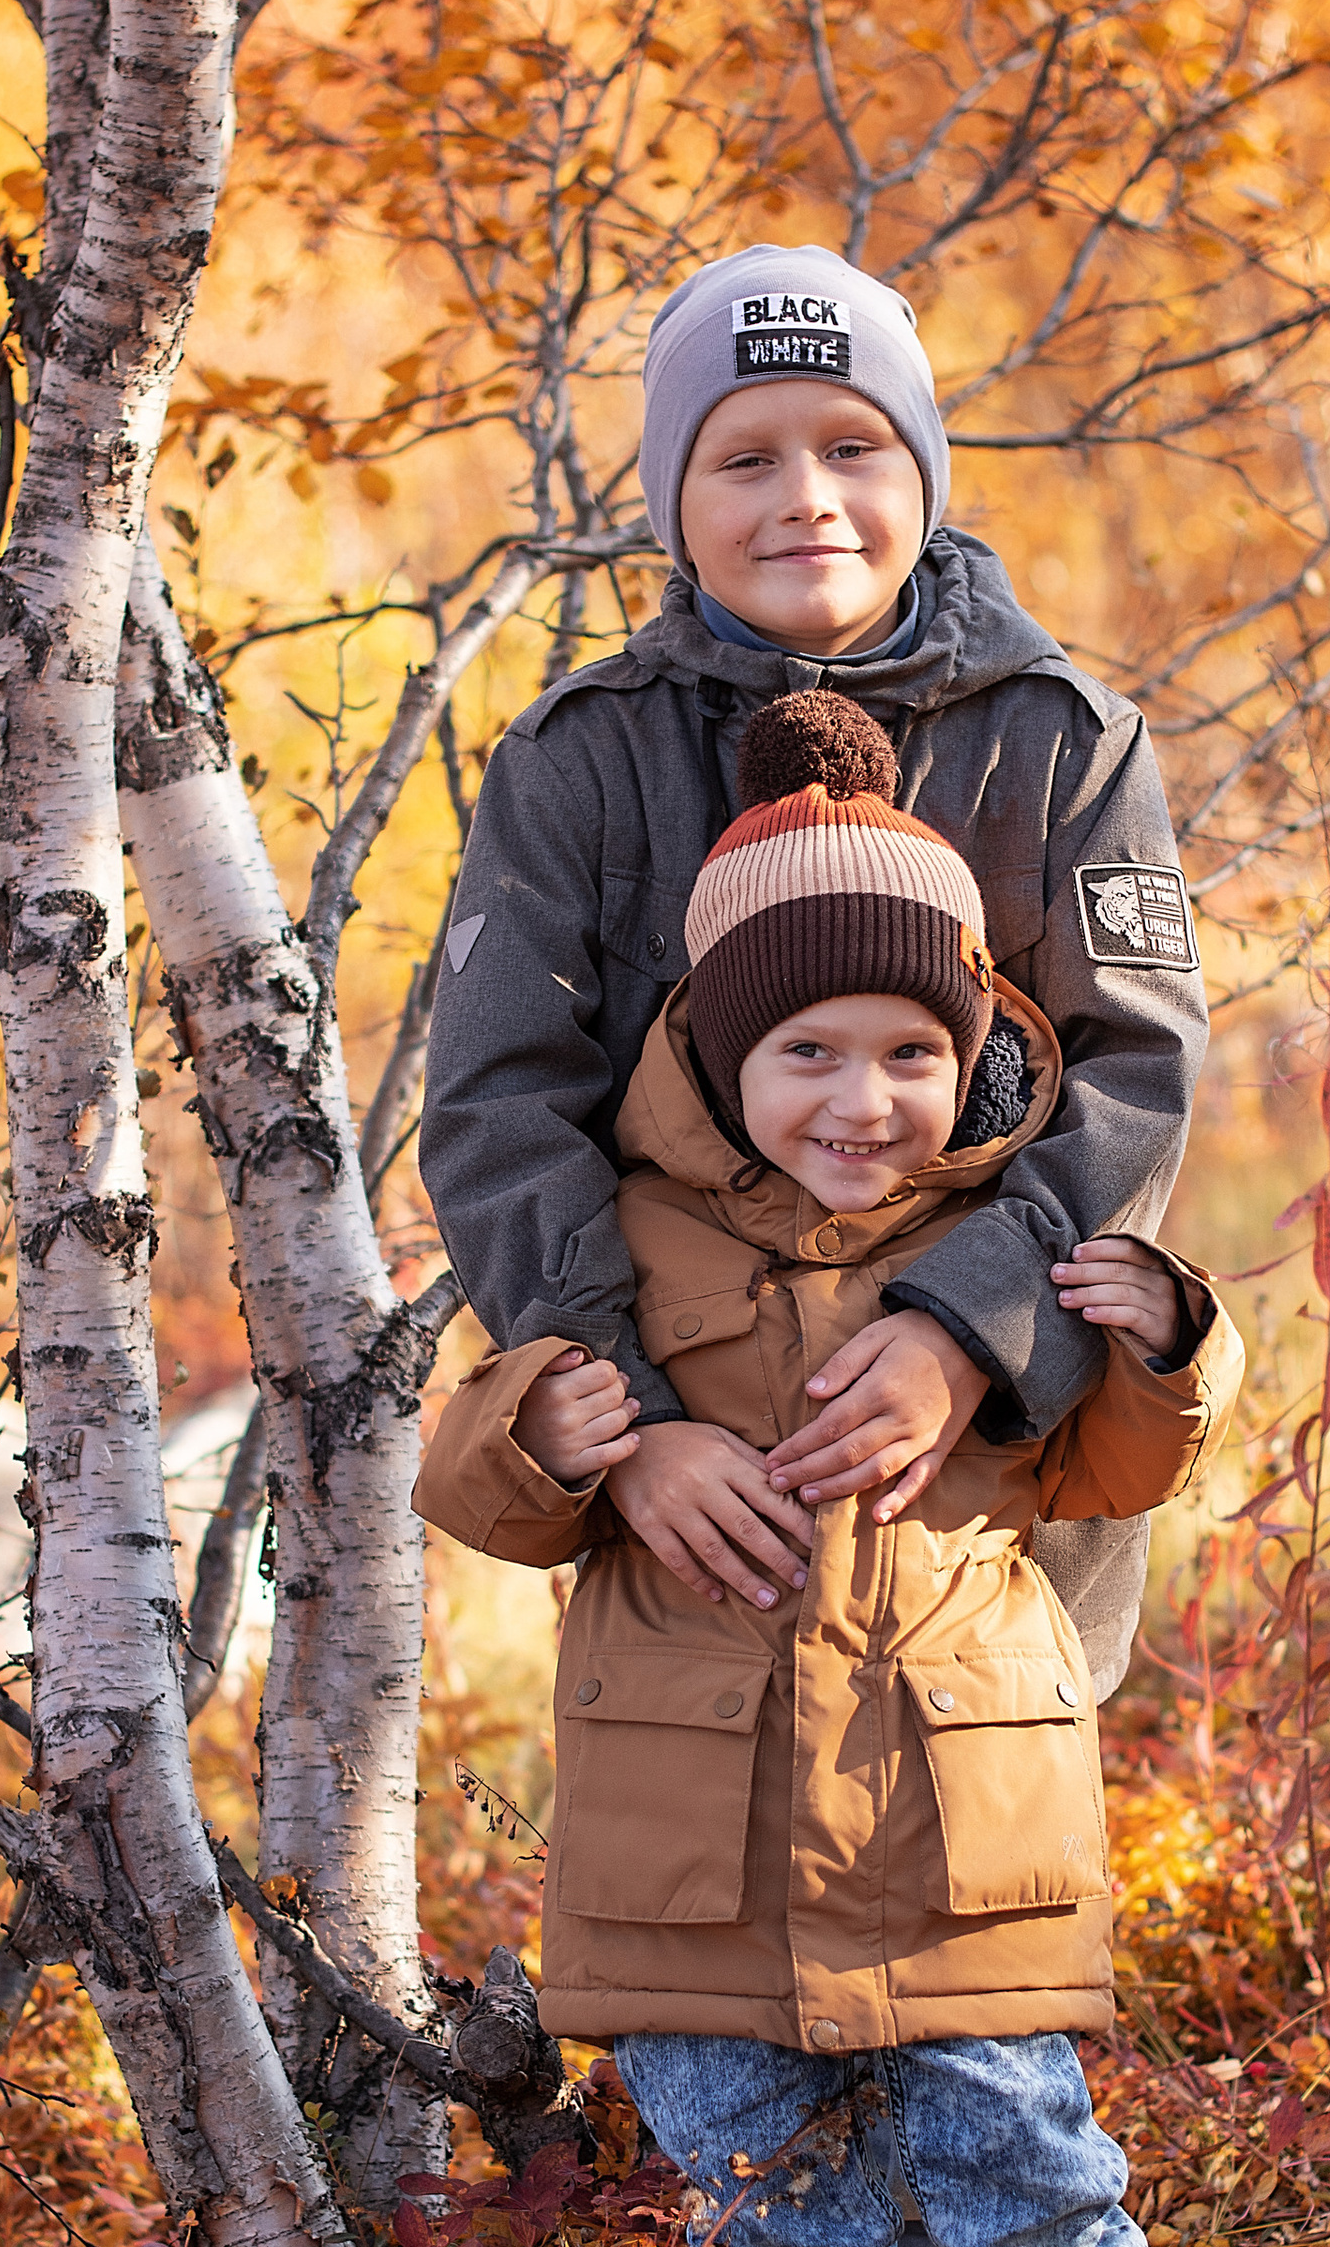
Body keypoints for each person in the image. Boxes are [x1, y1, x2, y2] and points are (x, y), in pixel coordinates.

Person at [415, 695, 1244, 2247]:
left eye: (907, 1053)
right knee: (774, 2204)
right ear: (714, 1054)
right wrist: (554, 1433)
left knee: (1032, 2181)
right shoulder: (615, 1250)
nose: (859, 1100)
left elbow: (1117, 1471)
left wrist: (1167, 1340)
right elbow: (486, 1481)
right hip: (690, 1857)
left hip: (962, 1844)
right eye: (805, 1051)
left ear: (977, 1063)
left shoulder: (1002, 1263)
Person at [418, 239, 1208, 1705]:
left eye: (854, 445)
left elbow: (1135, 1071)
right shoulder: (583, 760)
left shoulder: (1062, 740)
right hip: (704, 1498)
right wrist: (630, 1417)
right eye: (744, 460)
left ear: (923, 469)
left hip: (992, 1490)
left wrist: (973, 1332)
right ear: (673, 503)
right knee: (691, 1879)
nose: (806, 500)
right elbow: (496, 1103)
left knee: (989, 1867)